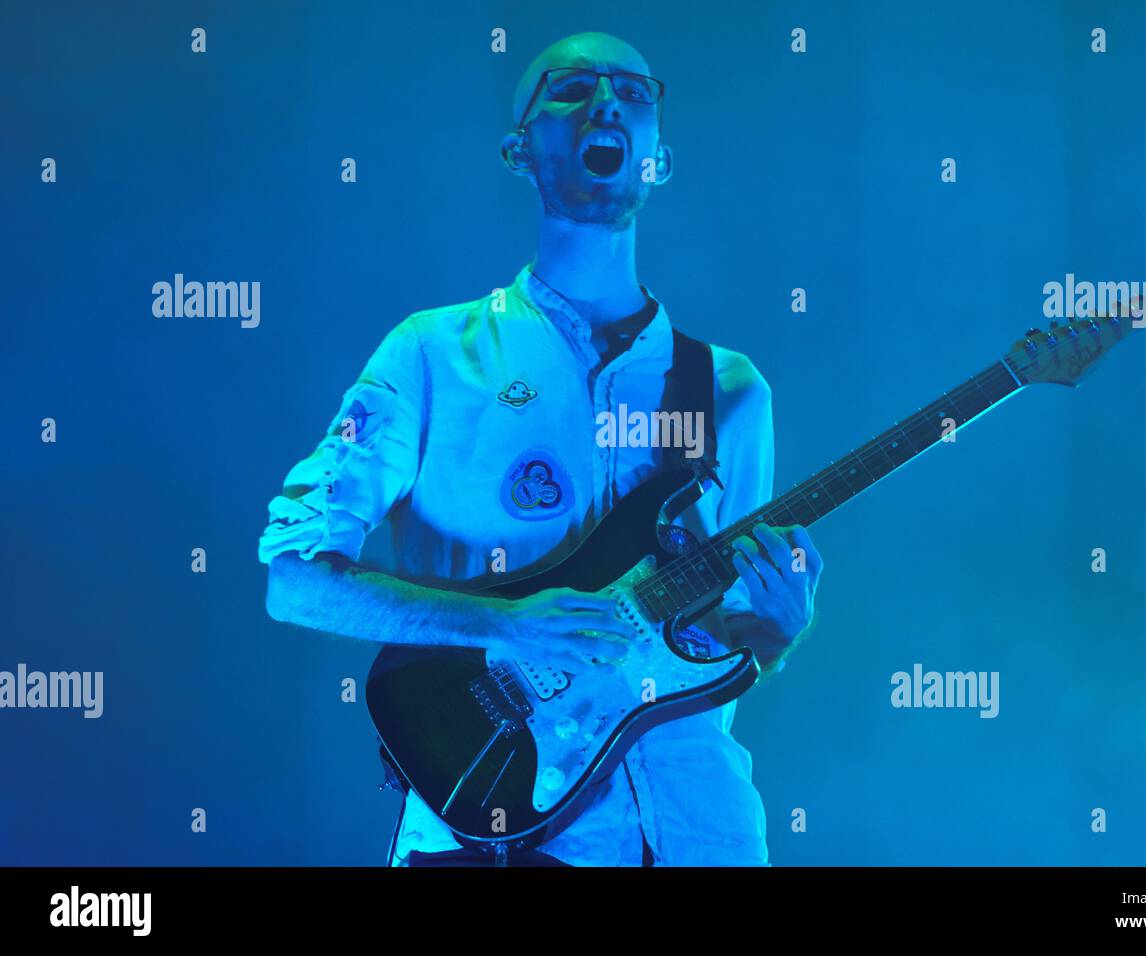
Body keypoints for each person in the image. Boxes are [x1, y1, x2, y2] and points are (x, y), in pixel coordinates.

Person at [258, 31, 822, 866]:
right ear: (518, 150)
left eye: (634, 93)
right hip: (489, 820)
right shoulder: (433, 355)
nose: (606, 103)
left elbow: (718, 646)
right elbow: (294, 579)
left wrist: (777, 632)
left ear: (659, 158)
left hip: (701, 828)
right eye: (570, 88)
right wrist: (502, 625)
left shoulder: (731, 389)